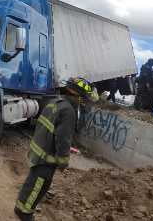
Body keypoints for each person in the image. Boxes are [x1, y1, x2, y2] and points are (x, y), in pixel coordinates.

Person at [14, 77, 99, 221]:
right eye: (83, 98)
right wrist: (63, 162)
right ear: (77, 96)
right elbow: (63, 139)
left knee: (32, 182)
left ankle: (20, 206)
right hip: (46, 157)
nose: (83, 102)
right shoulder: (69, 111)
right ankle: (24, 212)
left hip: (39, 150)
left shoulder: (55, 102)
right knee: (39, 186)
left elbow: (49, 129)